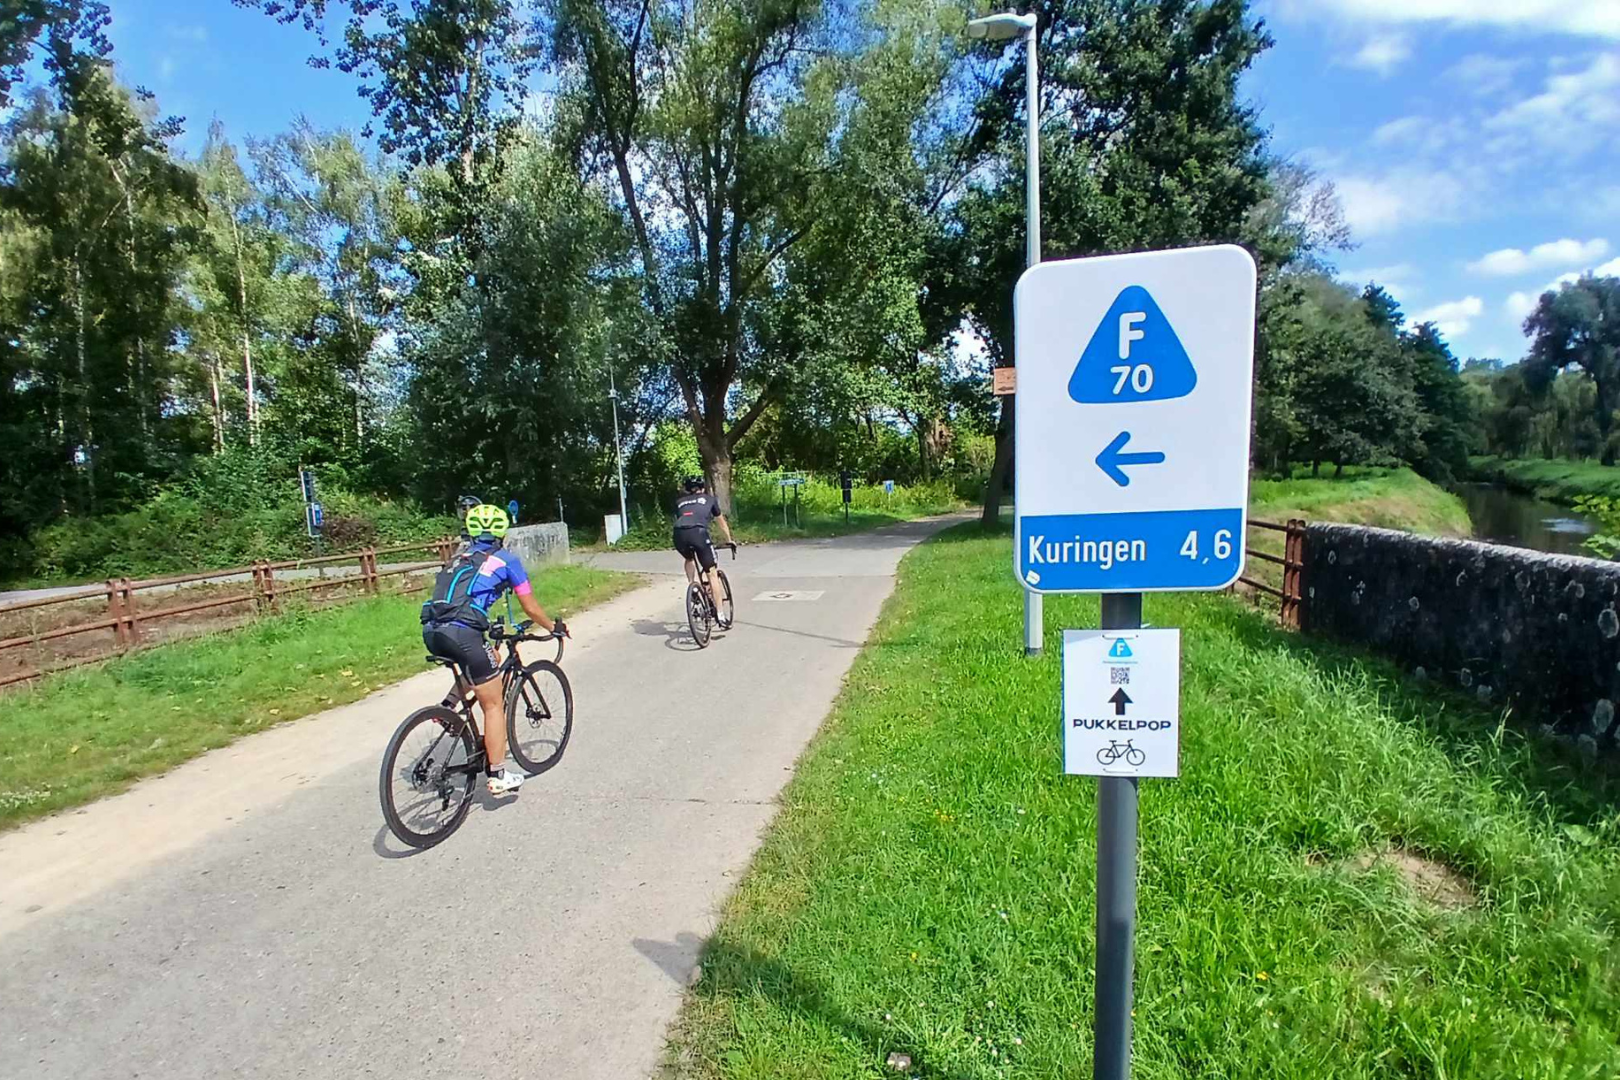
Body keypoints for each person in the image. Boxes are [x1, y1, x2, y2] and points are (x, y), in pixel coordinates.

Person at [421, 503, 569, 796]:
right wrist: (553, 627)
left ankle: (448, 708)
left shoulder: (458, 558)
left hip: (433, 630)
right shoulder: (506, 560)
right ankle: (498, 774)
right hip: (464, 633)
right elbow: (530, 606)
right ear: (502, 532)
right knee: (493, 703)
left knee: (489, 658)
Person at [673, 475, 735, 625]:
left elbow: (682, 518)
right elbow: (721, 522)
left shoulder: (679, 502)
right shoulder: (709, 499)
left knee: (689, 558)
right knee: (711, 573)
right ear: (703, 488)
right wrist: (729, 540)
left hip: (679, 534)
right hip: (699, 534)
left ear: (687, 490)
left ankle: (692, 585)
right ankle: (720, 615)